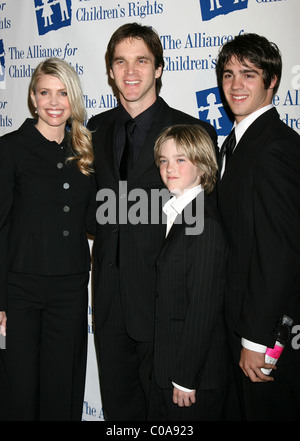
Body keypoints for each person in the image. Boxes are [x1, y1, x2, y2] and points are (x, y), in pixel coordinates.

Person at [87, 22, 218, 421]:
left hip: (165, 306)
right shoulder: (93, 129)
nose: (130, 71)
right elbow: (88, 211)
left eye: (141, 61)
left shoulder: (193, 132)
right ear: (110, 71)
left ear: (159, 68)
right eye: (120, 62)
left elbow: (203, 233)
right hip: (109, 306)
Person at [0, 57, 96, 421]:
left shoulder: (85, 151)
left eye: (63, 94)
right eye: (45, 93)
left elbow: (94, 218)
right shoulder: (10, 148)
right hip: (19, 290)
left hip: (71, 289)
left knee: (64, 388)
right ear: (32, 97)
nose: (54, 103)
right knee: (18, 389)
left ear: (73, 99)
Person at [216, 33, 300, 420]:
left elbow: (279, 250)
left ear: (272, 82)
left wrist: (257, 338)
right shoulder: (233, 144)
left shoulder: (275, 147)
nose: (236, 85)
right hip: (234, 321)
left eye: (249, 74)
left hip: (262, 334)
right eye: (229, 73)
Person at [147, 124, 229, 421]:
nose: (169, 168)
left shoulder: (204, 223)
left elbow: (203, 307)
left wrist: (185, 377)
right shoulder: (177, 213)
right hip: (170, 369)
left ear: (203, 165)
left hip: (194, 379)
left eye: (181, 159)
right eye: (164, 160)